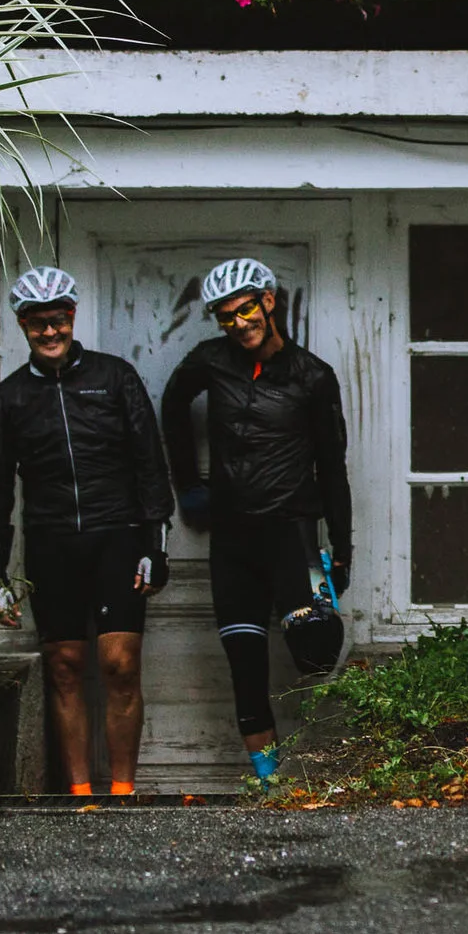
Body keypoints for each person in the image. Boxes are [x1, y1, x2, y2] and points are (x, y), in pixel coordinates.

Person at [160, 257, 353, 787]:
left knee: (316, 654)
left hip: (292, 535)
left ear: (268, 301)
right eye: (225, 317)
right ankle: (270, 784)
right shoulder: (211, 361)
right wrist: (189, 485)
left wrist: (341, 550)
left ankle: (324, 775)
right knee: (245, 670)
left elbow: (333, 467)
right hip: (233, 541)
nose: (238, 324)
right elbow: (173, 406)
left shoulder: (313, 376)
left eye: (245, 310)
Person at [0, 266, 171, 798]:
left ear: (72, 316)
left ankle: (122, 793)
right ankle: (80, 797)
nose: (50, 332)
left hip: (117, 537)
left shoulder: (115, 377)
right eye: (37, 323)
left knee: (119, 665)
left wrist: (156, 547)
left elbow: (151, 467)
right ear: (22, 325)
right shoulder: (11, 397)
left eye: (58, 320)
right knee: (64, 668)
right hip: (52, 543)